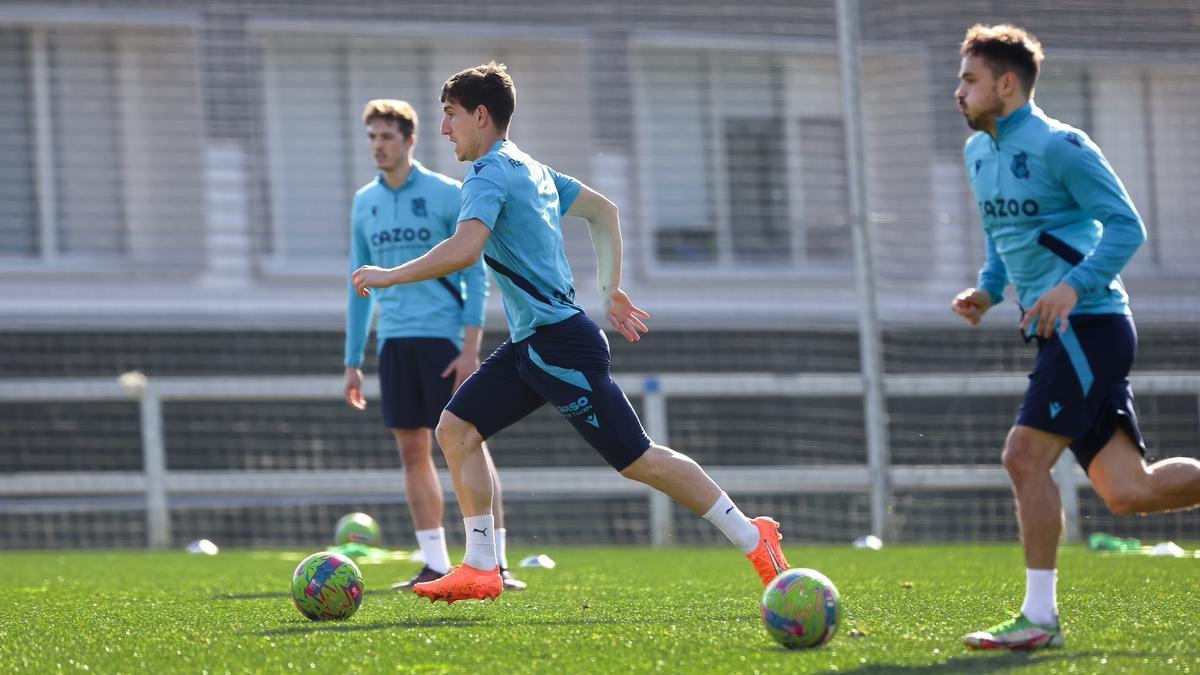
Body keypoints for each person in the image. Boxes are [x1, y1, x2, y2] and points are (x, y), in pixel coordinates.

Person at [352, 63, 791, 603]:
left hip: (560, 344)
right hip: (533, 343)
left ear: (481, 115)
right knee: (456, 429)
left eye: (451, 116)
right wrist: (610, 289)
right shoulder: (531, 169)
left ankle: (754, 536)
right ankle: (482, 566)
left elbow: (466, 248)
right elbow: (604, 212)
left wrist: (389, 274)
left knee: (638, 459)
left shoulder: (488, 173)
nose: (445, 130)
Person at [951, 24, 1200, 649]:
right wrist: (987, 289)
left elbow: (1127, 227)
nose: (959, 92)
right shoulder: (979, 154)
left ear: (1006, 84)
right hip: (1060, 333)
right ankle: (1040, 620)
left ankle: (1039, 619)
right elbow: (1004, 241)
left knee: (1022, 456)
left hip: (1091, 326)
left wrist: (1073, 287)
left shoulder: (1063, 146)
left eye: (970, 80)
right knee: (1128, 492)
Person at [344, 99, 524, 593]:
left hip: (444, 342)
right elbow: (358, 283)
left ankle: (497, 562)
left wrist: (470, 347)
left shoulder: (448, 194)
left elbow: (474, 275)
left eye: (386, 137)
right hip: (396, 344)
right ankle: (433, 562)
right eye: (372, 138)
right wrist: (352, 359)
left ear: (408, 141)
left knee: (469, 443)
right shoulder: (365, 202)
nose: (378, 147)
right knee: (412, 452)